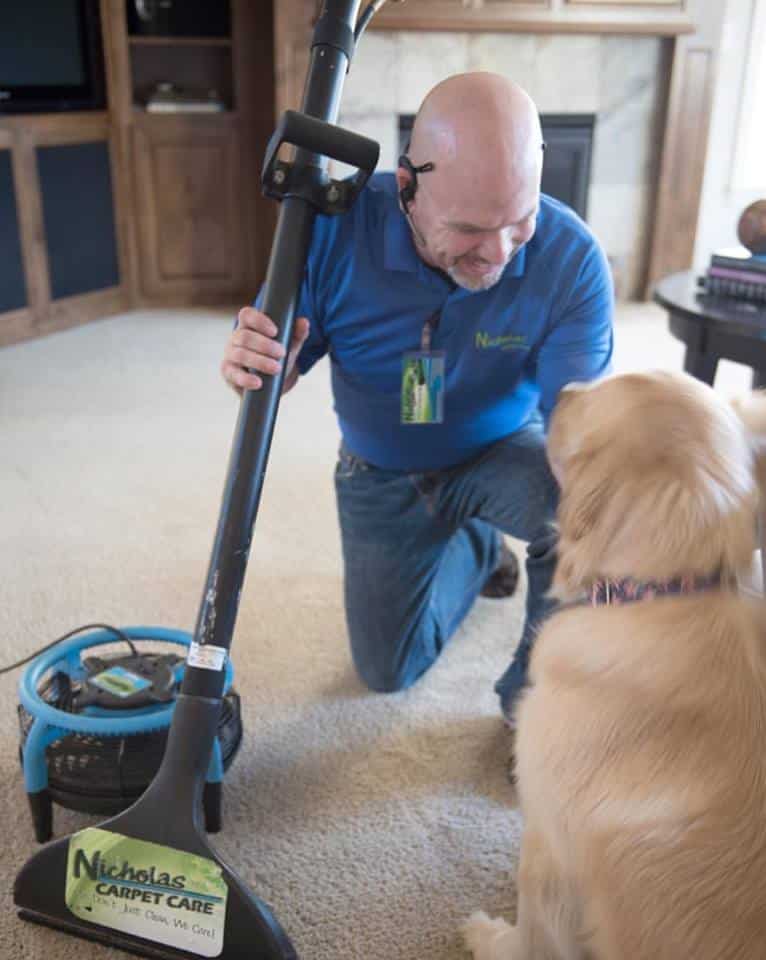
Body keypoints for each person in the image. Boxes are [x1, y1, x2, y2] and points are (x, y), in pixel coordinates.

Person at [221, 72, 614, 723]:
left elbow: (577, 421)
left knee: (587, 515)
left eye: (521, 221)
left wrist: (594, 508)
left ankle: (536, 700)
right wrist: (256, 363)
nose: (498, 253)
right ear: (407, 187)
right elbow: (274, 366)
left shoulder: (570, 259)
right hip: (379, 468)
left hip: (500, 450)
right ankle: (481, 546)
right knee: (385, 672)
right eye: (469, 229)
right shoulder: (329, 230)